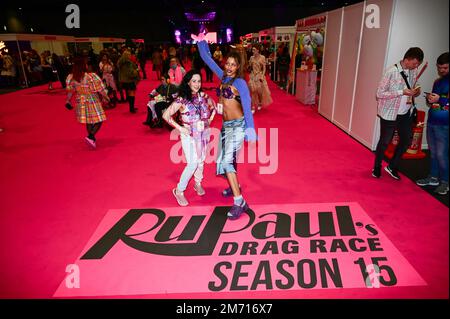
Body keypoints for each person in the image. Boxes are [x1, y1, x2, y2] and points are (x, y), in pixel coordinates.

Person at [193, 33, 257, 220]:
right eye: (227, 63)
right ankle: (233, 185)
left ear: (238, 67)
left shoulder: (240, 83)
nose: (229, 67)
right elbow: (207, 58)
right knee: (228, 160)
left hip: (238, 126)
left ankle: (240, 202)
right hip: (225, 126)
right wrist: (201, 42)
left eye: (233, 64)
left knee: (226, 161)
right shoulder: (223, 77)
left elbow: (246, 106)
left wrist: (250, 129)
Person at [163, 70, 216, 206]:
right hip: (189, 136)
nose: (197, 84)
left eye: (199, 81)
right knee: (192, 163)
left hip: (203, 134)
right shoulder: (181, 99)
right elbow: (166, 115)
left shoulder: (203, 96)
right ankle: (179, 190)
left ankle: (197, 183)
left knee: (201, 161)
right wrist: (181, 128)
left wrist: (209, 120)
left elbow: (214, 107)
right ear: (188, 82)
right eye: (194, 81)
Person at [372, 47, 424, 180]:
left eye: (418, 64)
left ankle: (392, 166)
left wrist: (416, 91)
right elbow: (379, 94)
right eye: (414, 63)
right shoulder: (391, 72)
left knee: (406, 140)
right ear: (406, 60)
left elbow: (414, 85)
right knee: (385, 141)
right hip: (390, 114)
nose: (416, 66)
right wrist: (402, 92)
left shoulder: (413, 71)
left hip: (405, 113)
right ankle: (377, 166)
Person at [416, 52, 449, 195]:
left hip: (445, 124)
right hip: (432, 121)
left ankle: (446, 182)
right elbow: (434, 102)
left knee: (442, 154)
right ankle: (434, 178)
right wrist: (429, 99)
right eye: (439, 67)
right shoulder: (437, 81)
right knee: (433, 153)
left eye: (445, 68)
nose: (441, 70)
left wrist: (440, 100)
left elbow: (443, 101)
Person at [65, 56, 109, 149]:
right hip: (91, 99)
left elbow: (70, 91)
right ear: (83, 65)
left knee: (88, 121)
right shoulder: (90, 76)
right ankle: (91, 136)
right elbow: (100, 89)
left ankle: (92, 139)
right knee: (99, 119)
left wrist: (68, 100)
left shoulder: (71, 77)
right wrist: (106, 97)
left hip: (80, 101)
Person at [248, 44, 273, 113]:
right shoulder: (251, 58)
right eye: (252, 50)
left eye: (254, 50)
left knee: (259, 92)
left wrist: (262, 75)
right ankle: (252, 106)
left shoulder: (262, 57)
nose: (252, 51)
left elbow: (264, 68)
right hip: (252, 76)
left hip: (259, 76)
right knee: (253, 91)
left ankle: (259, 102)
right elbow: (250, 66)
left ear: (258, 50)